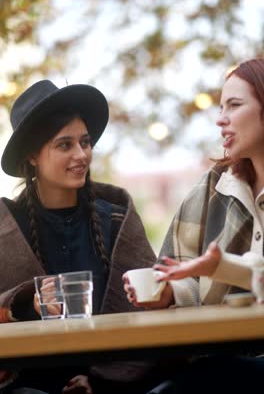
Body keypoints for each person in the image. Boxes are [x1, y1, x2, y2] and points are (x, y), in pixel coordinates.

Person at [0, 79, 170, 394]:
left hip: (116, 383)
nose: (81, 154)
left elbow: (150, 309)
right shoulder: (6, 227)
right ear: (32, 156)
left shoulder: (117, 219)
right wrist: (27, 304)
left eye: (85, 142)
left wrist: (102, 381)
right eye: (65, 145)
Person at [123, 57, 264, 393]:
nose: (221, 119)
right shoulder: (212, 188)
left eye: (234, 105)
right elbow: (182, 271)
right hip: (221, 360)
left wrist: (221, 267)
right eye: (220, 106)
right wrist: (168, 292)